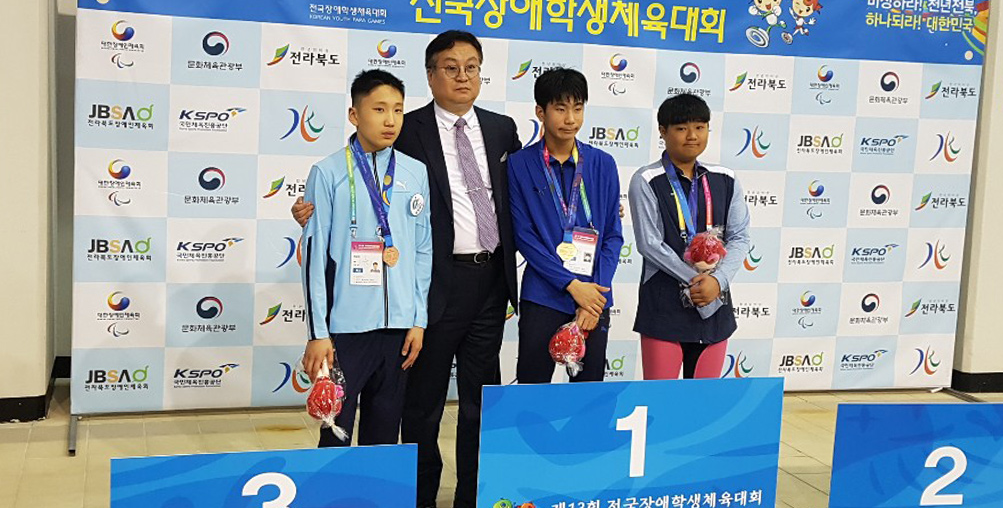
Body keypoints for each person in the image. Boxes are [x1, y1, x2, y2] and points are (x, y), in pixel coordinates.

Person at [293, 30, 520, 508]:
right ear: (431, 75)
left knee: (479, 403)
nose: (463, 76)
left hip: (487, 285)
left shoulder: (503, 129)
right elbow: (350, 209)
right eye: (451, 67)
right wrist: (310, 212)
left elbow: (520, 195)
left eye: (472, 67)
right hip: (433, 289)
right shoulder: (409, 131)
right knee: (418, 406)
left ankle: (472, 497)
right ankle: (416, 497)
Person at [300, 69, 432, 447]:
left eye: (398, 110)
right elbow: (314, 259)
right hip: (345, 332)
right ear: (354, 115)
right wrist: (318, 334)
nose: (390, 120)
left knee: (384, 436)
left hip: (399, 331)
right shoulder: (327, 173)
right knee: (335, 432)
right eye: (379, 109)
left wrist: (418, 320)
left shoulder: (415, 172)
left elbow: (422, 251)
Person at [508, 68, 623, 383]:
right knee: (533, 389)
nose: (570, 118)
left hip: (595, 296)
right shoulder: (519, 164)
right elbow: (525, 236)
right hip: (543, 295)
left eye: (577, 108)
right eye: (560, 109)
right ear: (540, 112)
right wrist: (572, 286)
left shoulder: (603, 164)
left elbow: (613, 235)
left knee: (588, 395)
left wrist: (594, 295)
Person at [628, 94, 751, 380]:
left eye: (699, 127)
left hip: (714, 306)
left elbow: (740, 237)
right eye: (682, 128)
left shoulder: (725, 178)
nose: (692, 136)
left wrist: (717, 282)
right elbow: (649, 243)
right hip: (663, 307)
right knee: (661, 399)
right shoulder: (646, 179)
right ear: (663, 131)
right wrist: (697, 280)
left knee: (704, 401)